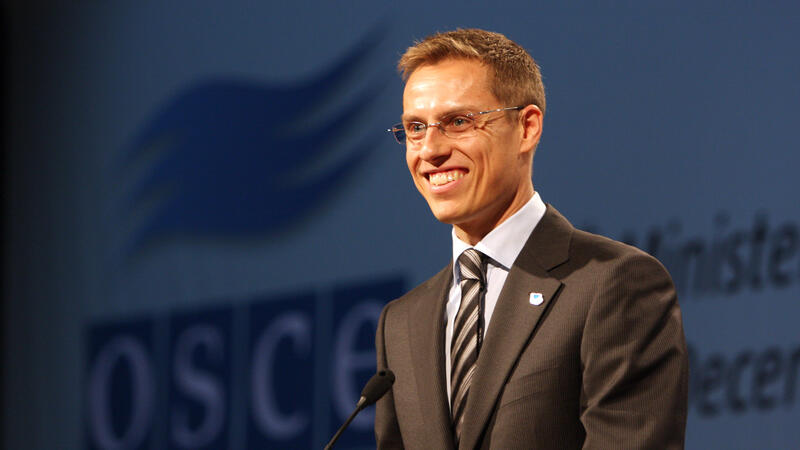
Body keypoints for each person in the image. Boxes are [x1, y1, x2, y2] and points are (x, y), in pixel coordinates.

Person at [374, 28, 688, 449]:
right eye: (415, 128)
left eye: (458, 122)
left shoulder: (614, 284)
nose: (429, 150)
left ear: (526, 127)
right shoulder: (401, 323)